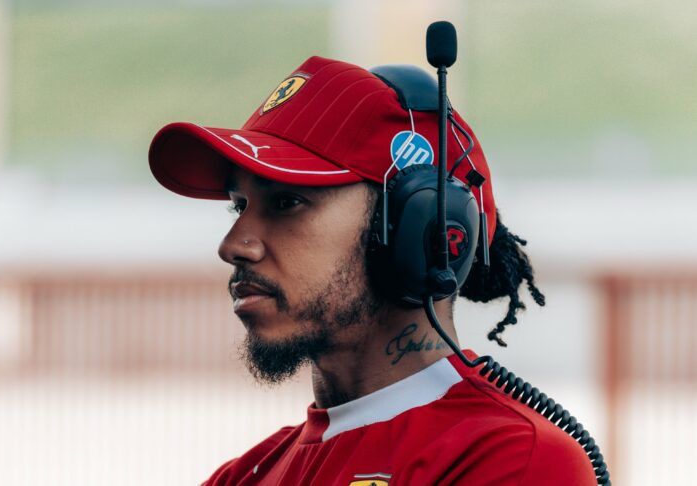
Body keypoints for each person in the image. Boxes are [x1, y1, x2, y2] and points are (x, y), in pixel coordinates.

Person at [149, 55, 597, 485]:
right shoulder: (244, 475)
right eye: (239, 207)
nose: (233, 246)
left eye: (286, 202)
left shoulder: (512, 457)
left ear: (420, 230)